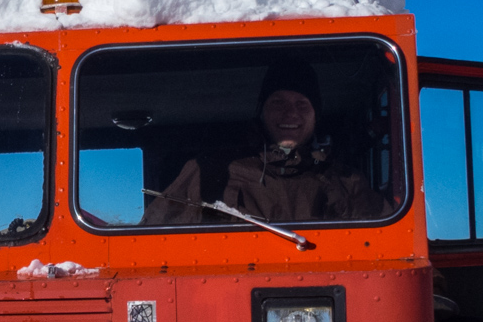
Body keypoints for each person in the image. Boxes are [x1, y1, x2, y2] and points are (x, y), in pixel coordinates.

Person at [141, 63, 392, 226]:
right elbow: (150, 241)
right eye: (278, 103)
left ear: (316, 116)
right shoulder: (211, 171)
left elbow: (389, 246)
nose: (290, 114)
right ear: (261, 112)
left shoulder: (347, 182)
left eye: (302, 105)